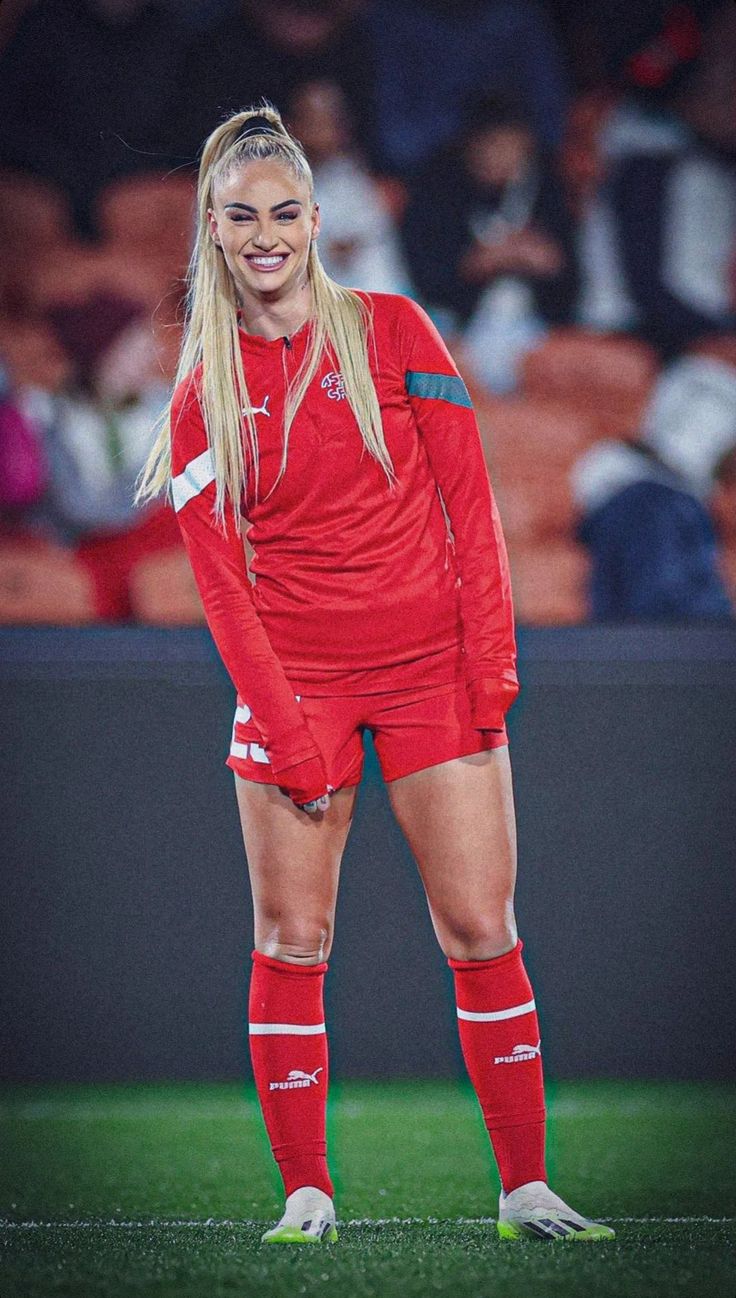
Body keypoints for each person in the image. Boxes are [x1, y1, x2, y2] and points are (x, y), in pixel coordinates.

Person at [135, 104, 614, 1246]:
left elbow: (472, 514)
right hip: (294, 685)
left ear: (316, 219)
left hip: (430, 675)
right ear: (211, 226)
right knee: (290, 942)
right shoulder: (204, 390)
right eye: (241, 215)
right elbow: (221, 586)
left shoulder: (395, 330)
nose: (265, 235)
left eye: (286, 212)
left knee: (480, 928)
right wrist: (284, 726)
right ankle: (307, 1192)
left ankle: (525, 1189)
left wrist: (489, 667)